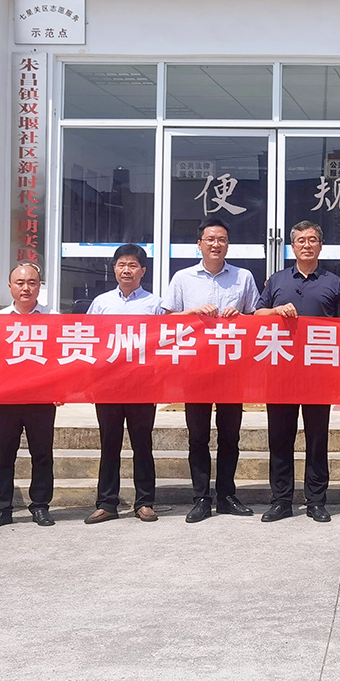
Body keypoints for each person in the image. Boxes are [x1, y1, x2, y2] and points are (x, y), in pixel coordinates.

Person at [164, 218, 260, 523]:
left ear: (228, 245)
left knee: (230, 436)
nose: (216, 244)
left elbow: (257, 319)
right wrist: (191, 312)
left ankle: (227, 495)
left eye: (222, 239)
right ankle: (201, 498)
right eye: (210, 239)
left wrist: (241, 316)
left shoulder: (243, 277)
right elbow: (165, 322)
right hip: (196, 369)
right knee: (198, 436)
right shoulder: (182, 278)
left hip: (232, 368)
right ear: (200, 244)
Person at [255, 221, 340, 524]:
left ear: (320, 245)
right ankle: (281, 500)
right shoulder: (277, 280)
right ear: (292, 246)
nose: (306, 245)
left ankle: (316, 500)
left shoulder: (334, 282)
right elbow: (257, 314)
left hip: (319, 373)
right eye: (300, 240)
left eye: (312, 240)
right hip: (281, 372)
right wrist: (276, 311)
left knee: (317, 439)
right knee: (279, 439)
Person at [84, 244, 165, 524]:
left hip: (142, 385)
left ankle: (145, 502)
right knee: (109, 444)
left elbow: (163, 345)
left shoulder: (155, 305)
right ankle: (107, 503)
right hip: (108, 385)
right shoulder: (101, 303)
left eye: (132, 265)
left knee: (142, 444)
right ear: (114, 269)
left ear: (143, 271)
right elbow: (88, 339)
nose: (126, 270)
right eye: (121, 264)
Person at [0, 264, 59, 529]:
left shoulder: (54, 318)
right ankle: (1, 509)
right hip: (5, 400)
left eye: (32, 282)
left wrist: (62, 389)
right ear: (10, 287)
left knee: (42, 455)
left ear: (39, 286)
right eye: (20, 283)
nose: (26, 288)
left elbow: (62, 359)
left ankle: (40, 506)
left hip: (41, 399)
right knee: (3, 456)